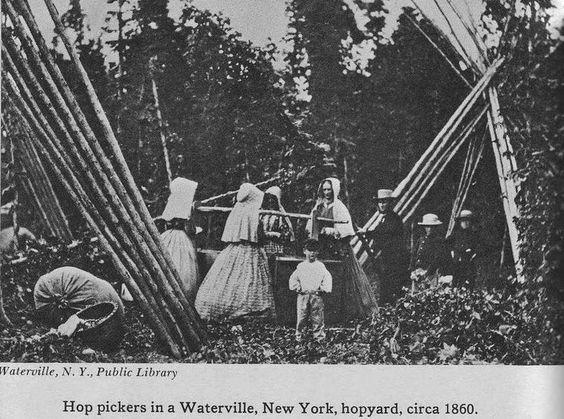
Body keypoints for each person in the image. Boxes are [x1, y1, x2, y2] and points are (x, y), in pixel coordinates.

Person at [195, 183, 275, 321]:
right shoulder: (252, 214)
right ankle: (249, 311)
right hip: (251, 252)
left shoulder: (238, 211)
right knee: (249, 281)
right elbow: (258, 236)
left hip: (234, 250)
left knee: (228, 280)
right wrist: (269, 235)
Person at [306, 177, 377, 318]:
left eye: (329, 190)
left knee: (343, 276)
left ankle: (346, 311)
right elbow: (310, 225)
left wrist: (332, 231)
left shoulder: (339, 206)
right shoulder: (318, 206)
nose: (327, 193)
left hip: (337, 247)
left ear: (334, 190)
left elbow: (345, 229)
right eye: (324, 190)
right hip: (322, 246)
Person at [360, 189, 409, 304]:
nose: (381, 205)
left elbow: (383, 233)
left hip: (394, 261)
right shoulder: (383, 218)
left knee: (392, 289)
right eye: (380, 202)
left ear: (390, 203)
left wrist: (367, 233)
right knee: (384, 287)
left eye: (384, 202)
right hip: (384, 261)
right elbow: (378, 232)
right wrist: (366, 232)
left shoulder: (394, 219)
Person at [156, 177, 201, 301]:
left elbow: (167, 222)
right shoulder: (186, 211)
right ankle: (182, 297)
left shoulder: (173, 206)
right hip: (181, 239)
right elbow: (189, 229)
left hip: (168, 236)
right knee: (184, 268)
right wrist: (195, 230)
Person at [289, 239, 332, 341]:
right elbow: (293, 279)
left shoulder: (320, 266)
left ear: (317, 252)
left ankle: (319, 337)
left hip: (316, 296)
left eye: (314, 250)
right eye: (309, 250)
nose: (312, 253)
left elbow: (327, 278)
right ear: (304, 251)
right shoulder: (301, 266)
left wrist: (323, 289)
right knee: (302, 316)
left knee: (317, 317)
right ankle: (299, 336)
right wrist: (298, 288)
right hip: (303, 295)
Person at [411, 213, 451, 290]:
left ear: (436, 227)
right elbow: (414, 255)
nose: (429, 229)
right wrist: (413, 270)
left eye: (432, 227)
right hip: (417, 274)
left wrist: (427, 272)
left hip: (430, 274)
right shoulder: (421, 240)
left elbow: (437, 259)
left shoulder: (438, 241)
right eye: (427, 226)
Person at [447, 209, 480, 289]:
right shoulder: (456, 234)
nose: (465, 223)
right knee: (455, 286)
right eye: (463, 220)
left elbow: (480, 247)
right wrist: (452, 251)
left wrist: (474, 253)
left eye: (468, 220)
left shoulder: (475, 234)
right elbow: (446, 244)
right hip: (456, 265)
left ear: (471, 222)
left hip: (469, 265)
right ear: (460, 222)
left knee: (468, 286)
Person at [260, 186, 295, 257]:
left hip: (276, 247)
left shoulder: (281, 216)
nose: (270, 201)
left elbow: (286, 234)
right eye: (268, 198)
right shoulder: (262, 214)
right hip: (262, 246)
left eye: (272, 199)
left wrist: (273, 234)